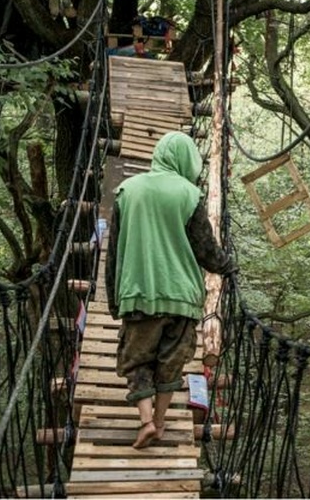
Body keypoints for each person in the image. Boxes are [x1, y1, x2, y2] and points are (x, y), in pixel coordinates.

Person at [105, 131, 233, 449]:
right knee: (170, 364)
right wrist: (228, 267)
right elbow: (206, 250)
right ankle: (161, 423)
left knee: (137, 361)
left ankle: (146, 421)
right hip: (183, 299)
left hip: (139, 294)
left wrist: (113, 299)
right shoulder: (189, 195)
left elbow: (114, 252)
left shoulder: (127, 191)